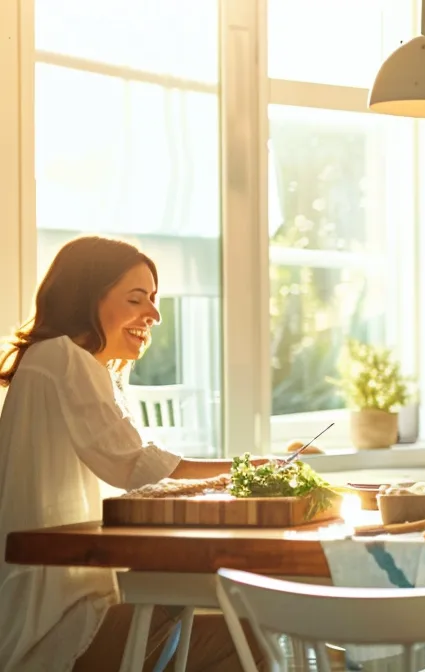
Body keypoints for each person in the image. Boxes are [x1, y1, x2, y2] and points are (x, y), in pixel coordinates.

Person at [0, 235, 264, 671]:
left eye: (154, 299)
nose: (155, 315)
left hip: (66, 605)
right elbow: (138, 467)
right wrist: (249, 469)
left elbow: (134, 474)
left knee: (237, 620)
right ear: (89, 296)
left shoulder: (67, 364)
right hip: (52, 625)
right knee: (250, 634)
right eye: (136, 298)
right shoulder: (63, 359)